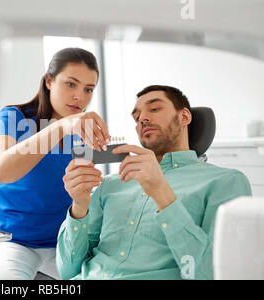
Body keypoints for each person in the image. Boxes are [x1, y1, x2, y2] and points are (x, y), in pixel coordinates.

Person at [57, 85, 252, 280]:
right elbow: (67, 271)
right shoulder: (110, 184)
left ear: (184, 117)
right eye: (136, 117)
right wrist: (80, 206)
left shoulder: (226, 181)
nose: (142, 118)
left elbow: (211, 275)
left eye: (154, 108)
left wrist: (161, 194)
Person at [0, 47, 111, 279]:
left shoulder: (82, 131)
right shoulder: (13, 117)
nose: (80, 96)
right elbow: (2, 170)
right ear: (49, 81)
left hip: (63, 242)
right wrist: (61, 126)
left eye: (88, 89)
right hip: (9, 240)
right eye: (71, 84)